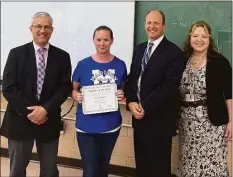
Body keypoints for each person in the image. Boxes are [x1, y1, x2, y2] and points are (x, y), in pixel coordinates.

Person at [0, 12, 72, 177]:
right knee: (17, 170)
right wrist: (33, 112)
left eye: (46, 27)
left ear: (52, 30)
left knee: (49, 170)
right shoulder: (16, 54)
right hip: (20, 119)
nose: (42, 30)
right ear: (31, 29)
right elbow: (9, 87)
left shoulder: (62, 56)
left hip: (49, 119)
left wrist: (44, 110)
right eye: (38, 26)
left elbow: (64, 87)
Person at [125, 10, 185, 177]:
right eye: (149, 23)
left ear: (164, 26)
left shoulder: (174, 53)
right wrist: (130, 102)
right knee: (142, 167)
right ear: (144, 25)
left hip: (159, 122)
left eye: (156, 23)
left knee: (159, 169)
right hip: (139, 120)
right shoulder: (139, 49)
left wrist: (144, 106)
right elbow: (132, 79)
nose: (152, 26)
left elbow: (169, 87)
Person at [177, 20, 232, 177]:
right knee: (188, 164)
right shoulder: (181, 60)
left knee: (213, 166)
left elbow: (230, 94)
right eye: (195, 35)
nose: (199, 40)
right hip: (186, 123)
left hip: (212, 124)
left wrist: (231, 121)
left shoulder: (219, 62)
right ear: (190, 38)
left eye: (204, 36)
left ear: (210, 39)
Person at [71, 25, 127, 177]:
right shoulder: (83, 65)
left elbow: (123, 89)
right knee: (90, 170)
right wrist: (76, 95)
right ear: (93, 41)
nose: (102, 43)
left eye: (106, 40)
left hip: (111, 125)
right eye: (99, 39)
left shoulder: (120, 64)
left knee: (103, 168)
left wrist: (122, 94)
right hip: (86, 126)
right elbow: (73, 89)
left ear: (112, 41)